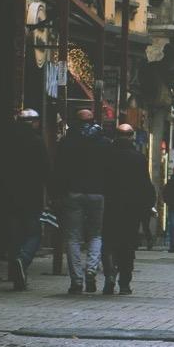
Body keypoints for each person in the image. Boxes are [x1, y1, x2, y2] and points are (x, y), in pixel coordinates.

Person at [54, 107, 110, 294]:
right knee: (96, 235)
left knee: (73, 238)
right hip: (98, 193)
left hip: (73, 193)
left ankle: (76, 280)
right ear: (94, 121)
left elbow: (59, 170)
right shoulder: (103, 143)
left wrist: (58, 194)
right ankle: (91, 272)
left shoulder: (67, 142)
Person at [100, 124, 153, 294]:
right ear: (131, 137)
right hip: (131, 209)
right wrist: (147, 207)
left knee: (108, 243)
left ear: (116, 136)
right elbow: (145, 184)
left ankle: (109, 275)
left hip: (109, 206)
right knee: (127, 245)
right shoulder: (138, 158)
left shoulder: (106, 155)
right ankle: (124, 283)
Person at [0, 109, 49, 291]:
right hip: (31, 195)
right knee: (34, 233)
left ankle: (15, 272)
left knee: (14, 234)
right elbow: (45, 169)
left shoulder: (8, 142)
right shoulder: (37, 142)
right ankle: (24, 259)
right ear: (34, 123)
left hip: (10, 195)